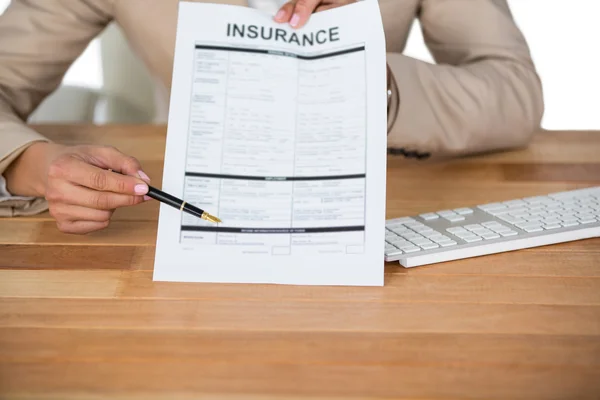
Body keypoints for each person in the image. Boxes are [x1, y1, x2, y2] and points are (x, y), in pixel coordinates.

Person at [0, 0, 544, 233]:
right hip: (189, 217)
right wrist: (32, 162)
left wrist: (376, 78)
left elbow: (515, 91)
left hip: (379, 209)